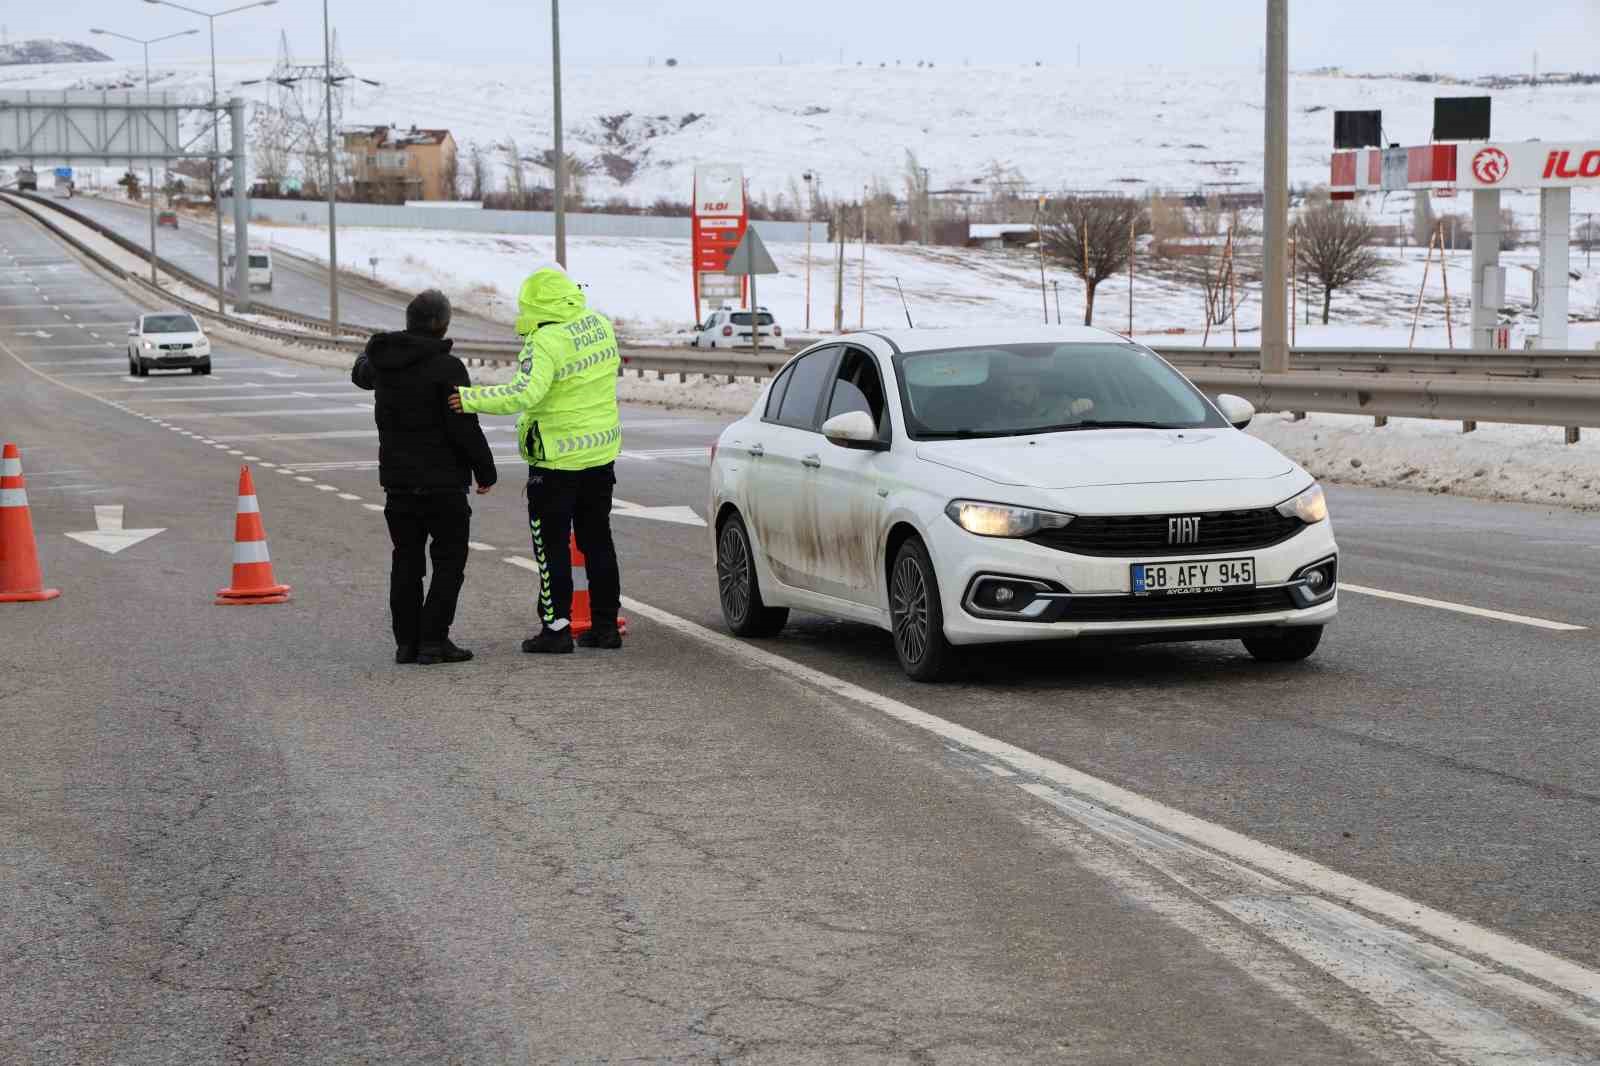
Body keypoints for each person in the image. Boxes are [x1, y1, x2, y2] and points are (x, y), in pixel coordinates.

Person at [448, 267, 623, 655]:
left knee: (552, 546)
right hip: (600, 454)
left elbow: (524, 393)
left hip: (557, 462)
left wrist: (470, 398)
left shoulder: (545, 340)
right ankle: (606, 625)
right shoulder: (599, 324)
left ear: (535, 304)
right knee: (598, 542)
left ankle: (557, 628)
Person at [353, 289, 497, 666]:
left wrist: (369, 350)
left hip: (398, 483)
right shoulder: (447, 368)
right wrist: (485, 469)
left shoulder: (384, 362)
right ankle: (433, 640)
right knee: (449, 562)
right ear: (442, 324)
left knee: (406, 562)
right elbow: (463, 425)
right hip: (444, 484)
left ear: (408, 320)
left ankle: (406, 643)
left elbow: (360, 373)